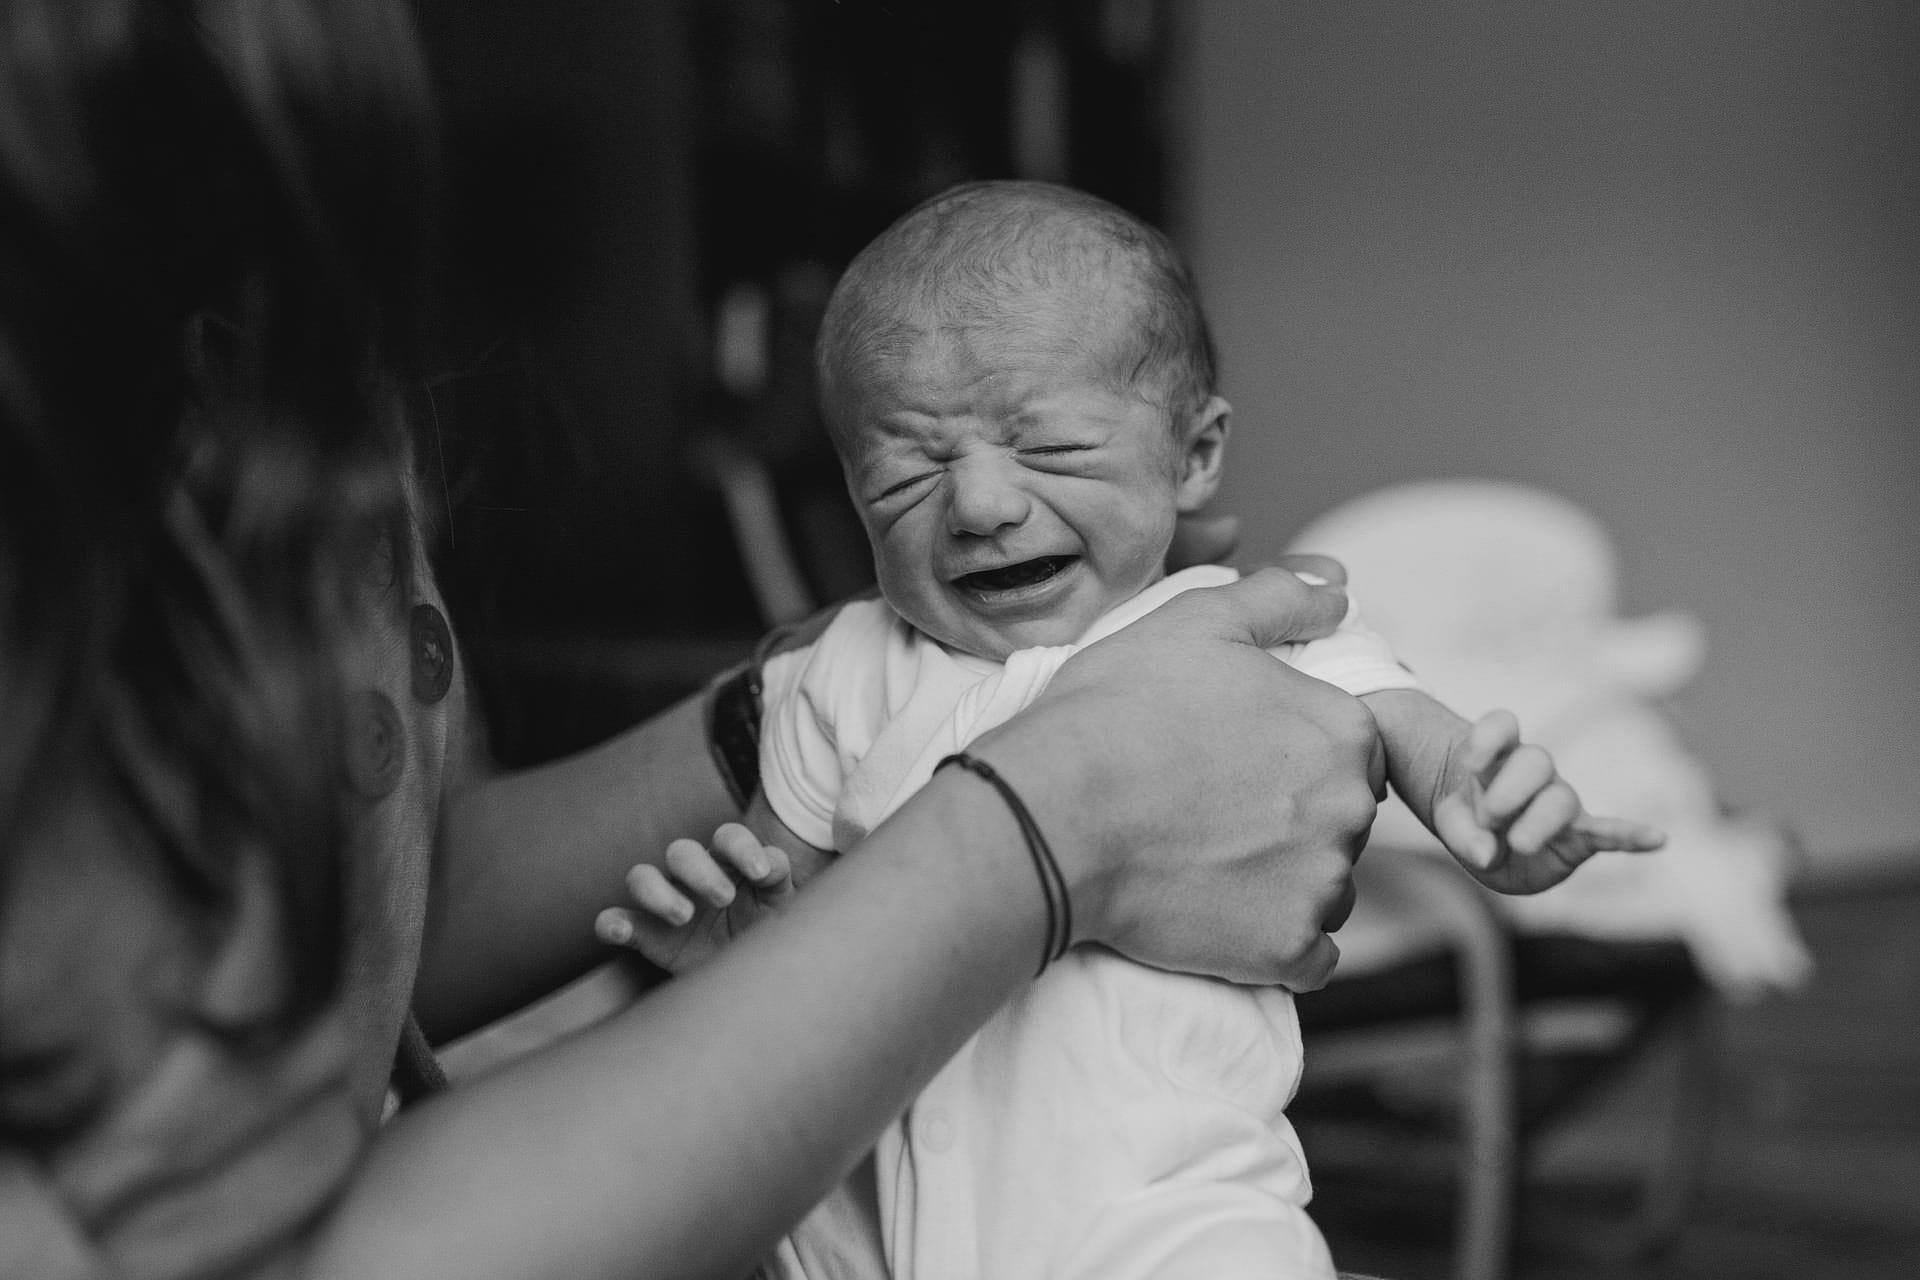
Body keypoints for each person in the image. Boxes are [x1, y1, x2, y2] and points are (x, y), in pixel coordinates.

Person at [0, 6, 1394, 1279]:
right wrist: (1047, 824)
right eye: (908, 470)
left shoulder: (296, 370)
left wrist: (802, 715)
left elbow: (375, 912)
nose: (980, 503)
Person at [602, 182, 1663, 1280]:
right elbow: (796, 918)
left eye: (1049, 448)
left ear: (1195, 452)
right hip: (862, 1229)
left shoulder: (1240, 634)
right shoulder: (837, 675)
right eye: (907, 470)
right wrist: (743, 946)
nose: (976, 504)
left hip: (1163, 1215)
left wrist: (1490, 802)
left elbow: (1409, 726)